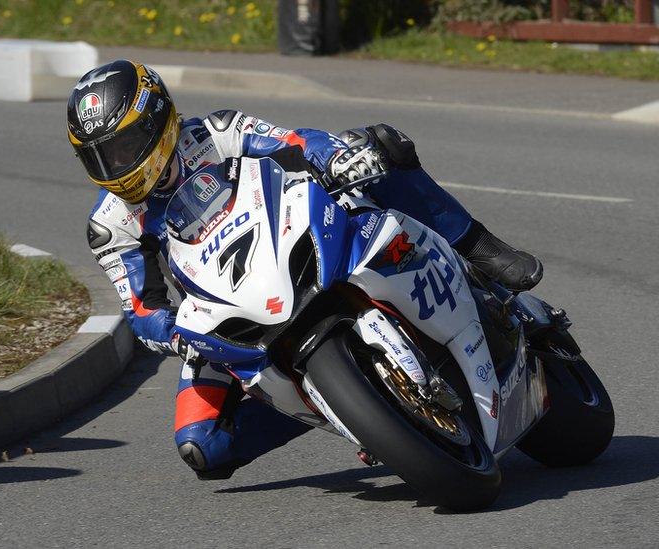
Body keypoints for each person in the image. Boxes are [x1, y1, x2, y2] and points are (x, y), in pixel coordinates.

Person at [69, 60, 543, 479]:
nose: (116, 166)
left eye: (124, 147)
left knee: (382, 146)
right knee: (203, 447)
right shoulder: (110, 226)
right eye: (99, 157)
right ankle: (351, 409)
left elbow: (294, 142)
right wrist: (173, 332)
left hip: (297, 231)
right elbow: (140, 307)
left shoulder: (216, 132)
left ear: (158, 121)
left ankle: (480, 249)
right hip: (223, 307)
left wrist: (336, 158)